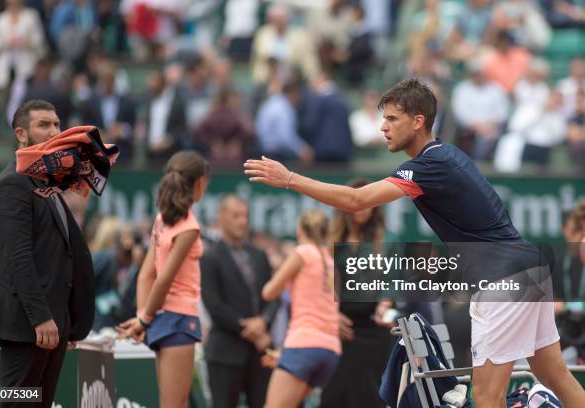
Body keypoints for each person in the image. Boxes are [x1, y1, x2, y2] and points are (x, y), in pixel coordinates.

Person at [245, 78, 585, 408]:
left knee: (486, 398)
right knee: (554, 373)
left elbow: (356, 200)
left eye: (392, 118)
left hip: (501, 279)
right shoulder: (444, 155)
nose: (383, 127)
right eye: (383, 119)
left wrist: (290, 178)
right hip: (528, 268)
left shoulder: (429, 164)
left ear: (418, 121)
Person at [0, 99, 95, 408]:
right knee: (15, 402)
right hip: (27, 324)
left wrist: (68, 318)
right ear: (21, 134)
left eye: (57, 124)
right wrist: (42, 317)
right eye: (43, 125)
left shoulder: (46, 183)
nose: (53, 131)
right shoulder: (11, 185)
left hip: (53, 322)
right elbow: (18, 258)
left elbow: (66, 254)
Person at [118, 151, 210, 408]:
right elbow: (163, 279)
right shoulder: (189, 227)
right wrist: (144, 319)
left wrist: (143, 315)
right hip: (179, 320)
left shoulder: (161, 220)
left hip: (160, 317)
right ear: (200, 183)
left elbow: (147, 274)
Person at [320, 177, 395, 408]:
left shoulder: (385, 240)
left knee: (368, 397)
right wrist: (330, 316)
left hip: (374, 331)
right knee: (333, 396)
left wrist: (385, 303)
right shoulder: (331, 241)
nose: (362, 207)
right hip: (340, 329)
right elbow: (320, 284)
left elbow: (392, 282)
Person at [201, 195, 279, 408]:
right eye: (236, 216)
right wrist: (251, 330)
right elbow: (214, 305)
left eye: (245, 216)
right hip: (225, 351)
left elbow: (274, 296)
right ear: (221, 218)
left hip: (261, 353)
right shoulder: (209, 257)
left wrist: (263, 322)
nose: (242, 221)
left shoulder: (260, 255)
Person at [261, 210, 341, 408]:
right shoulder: (331, 263)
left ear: (299, 231)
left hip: (303, 346)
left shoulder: (302, 253)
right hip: (330, 351)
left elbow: (268, 292)